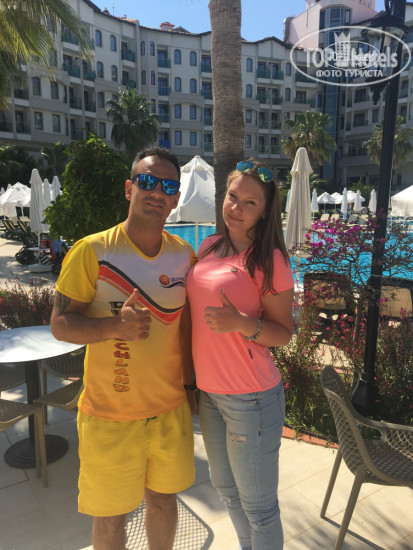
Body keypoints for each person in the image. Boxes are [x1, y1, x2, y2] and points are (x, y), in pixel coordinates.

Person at [50, 146, 196, 550]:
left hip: (169, 410)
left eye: (168, 187)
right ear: (129, 189)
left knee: (163, 501)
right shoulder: (93, 251)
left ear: (176, 200)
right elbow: (60, 325)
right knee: (111, 518)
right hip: (109, 416)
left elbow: (185, 329)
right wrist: (115, 327)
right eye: (147, 181)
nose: (157, 192)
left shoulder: (184, 255)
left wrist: (191, 385)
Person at [186, 159, 294, 549]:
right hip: (210, 393)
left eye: (250, 202)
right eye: (233, 196)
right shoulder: (209, 246)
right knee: (227, 492)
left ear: (264, 211)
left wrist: (241, 323)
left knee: (259, 509)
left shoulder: (270, 260)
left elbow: (284, 333)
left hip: (251, 398)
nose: (237, 207)